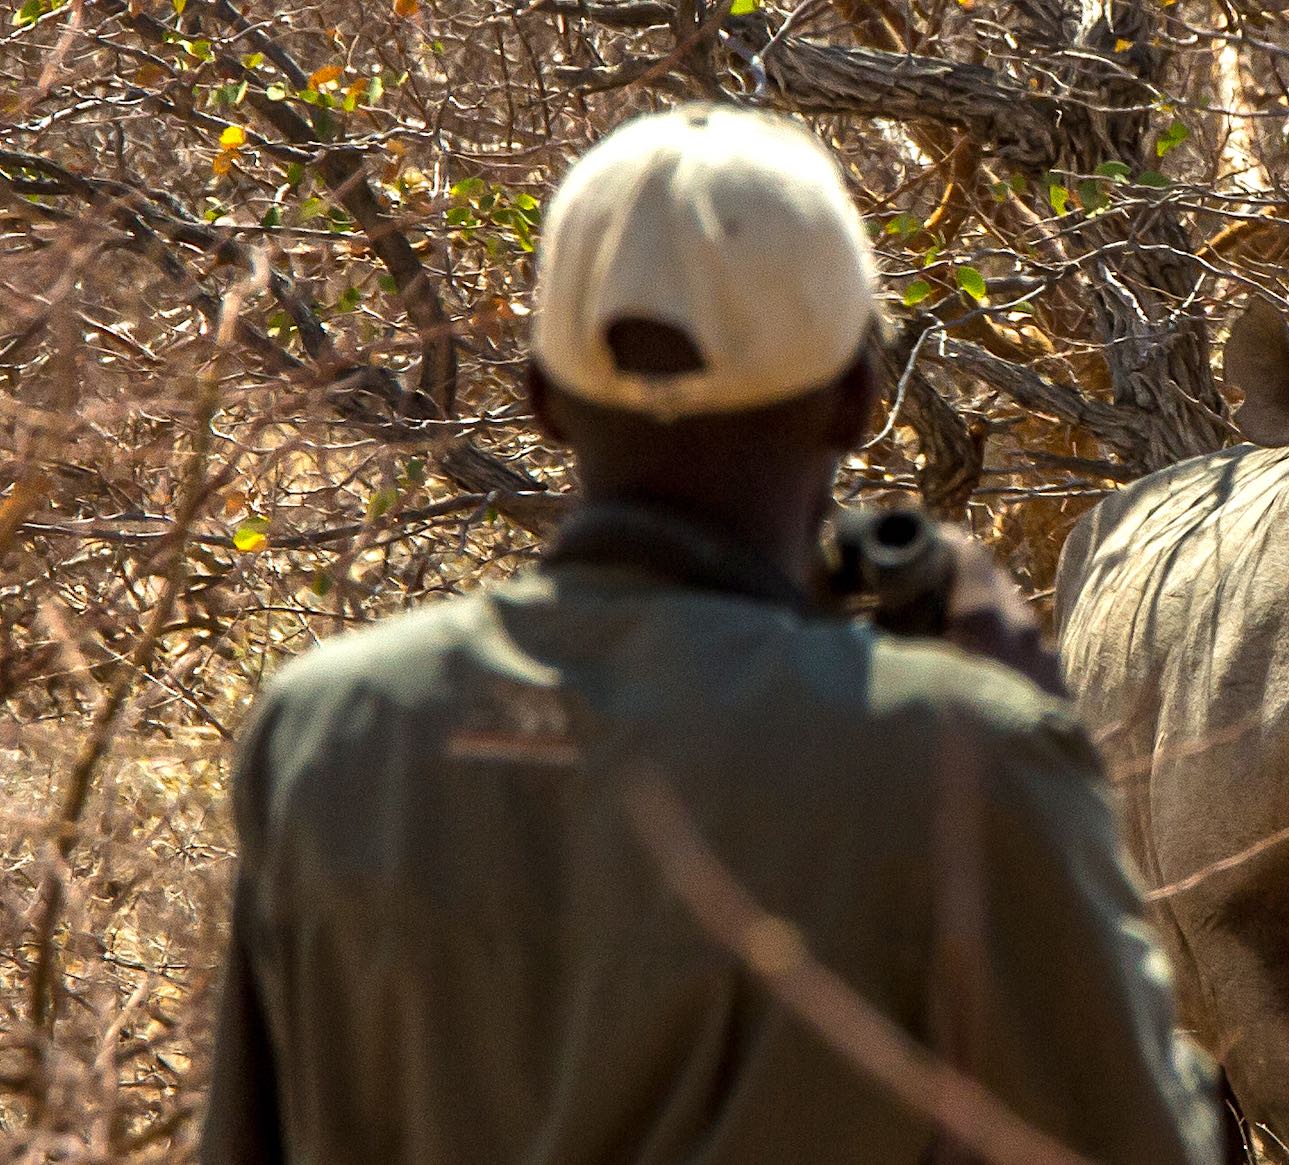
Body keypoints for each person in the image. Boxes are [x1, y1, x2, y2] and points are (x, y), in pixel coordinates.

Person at [200, 104, 1224, 1165]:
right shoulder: (959, 762)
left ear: (542, 398)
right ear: (859, 398)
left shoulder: (327, 732)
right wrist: (1035, 741)